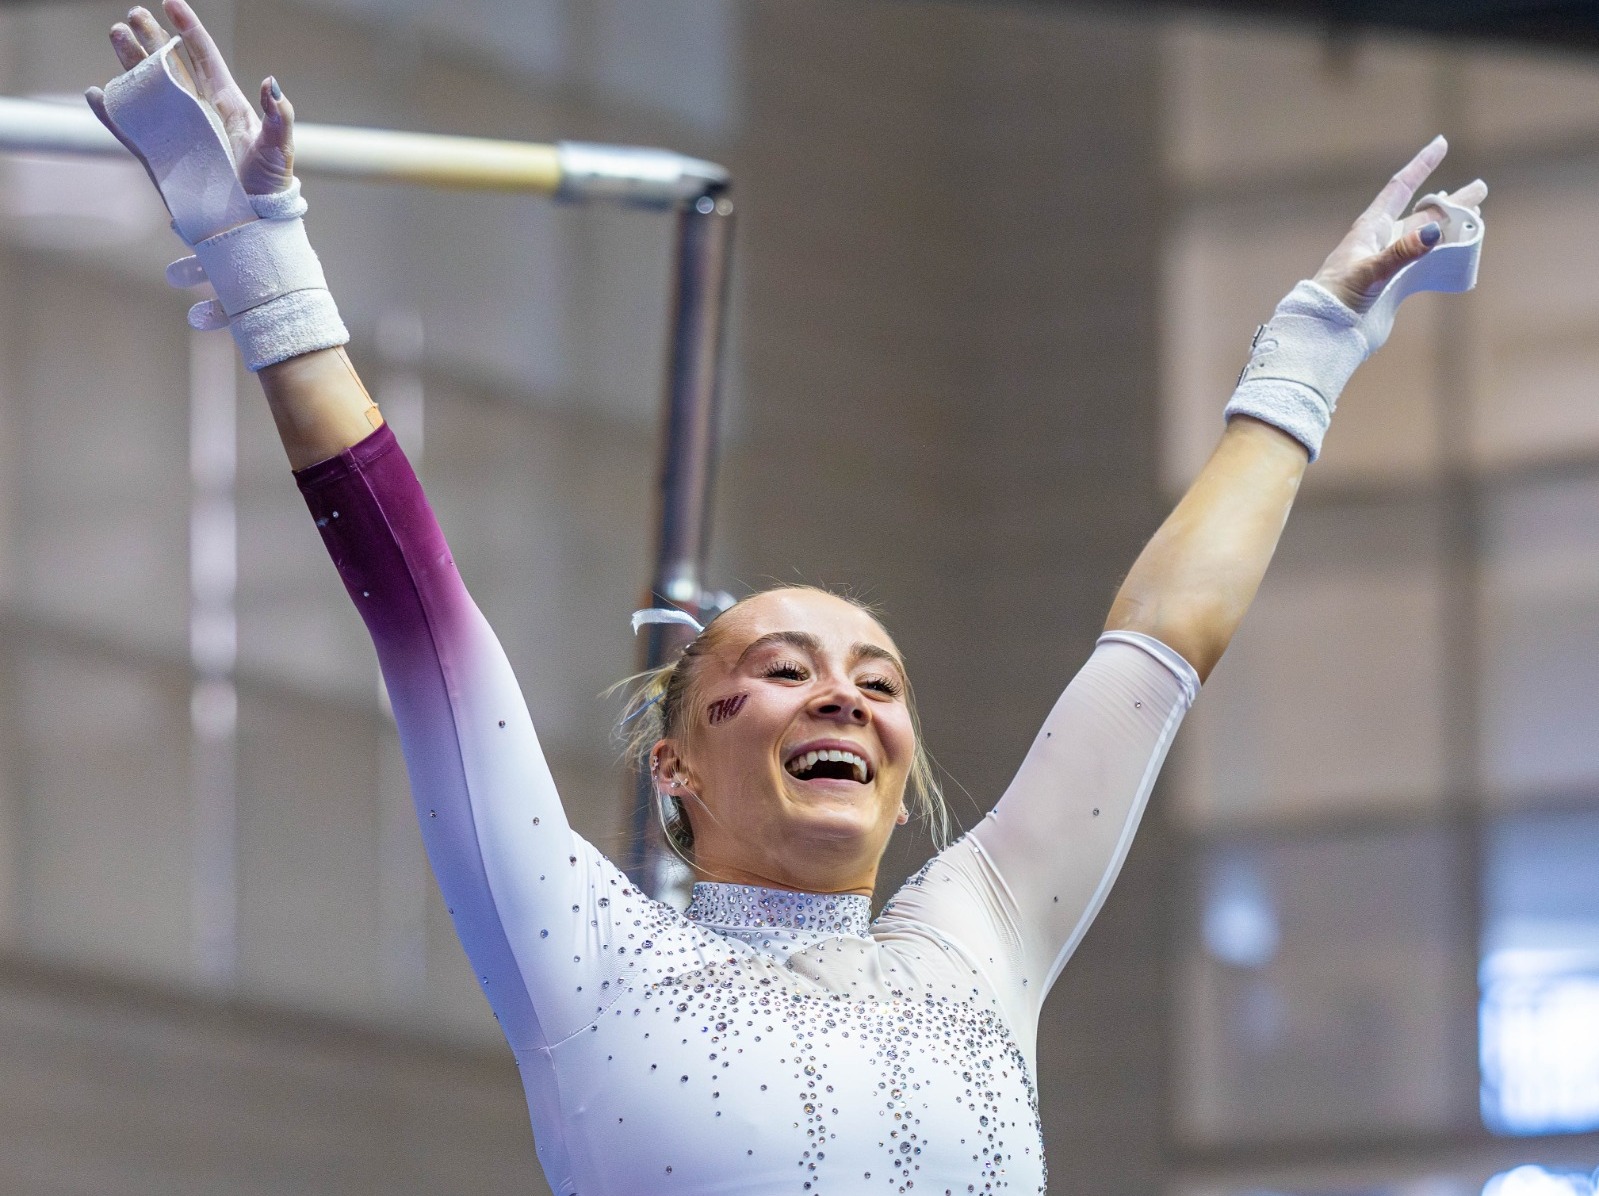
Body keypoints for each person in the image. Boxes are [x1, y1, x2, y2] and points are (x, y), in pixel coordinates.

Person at [89, 4, 1485, 1192]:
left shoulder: (975, 941)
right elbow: (423, 615)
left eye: (880, 682)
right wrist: (268, 269)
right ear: (673, 765)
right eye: (784, 667)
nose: (846, 697)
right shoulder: (589, 957)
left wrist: (1309, 350)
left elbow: (1163, 640)